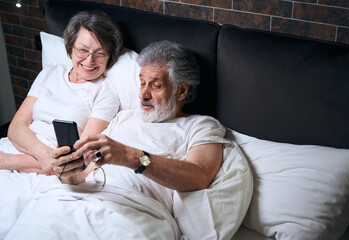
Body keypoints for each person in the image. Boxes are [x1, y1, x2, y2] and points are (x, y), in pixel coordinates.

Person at [51, 40, 227, 204]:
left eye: (155, 86)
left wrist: (131, 157)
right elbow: (84, 176)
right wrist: (67, 174)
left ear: (181, 91)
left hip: (135, 208)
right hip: (85, 198)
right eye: (142, 83)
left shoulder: (201, 126)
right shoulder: (124, 117)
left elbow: (199, 177)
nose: (143, 94)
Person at [0, 10, 123, 175]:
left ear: (110, 56)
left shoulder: (105, 93)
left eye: (100, 54)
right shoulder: (50, 73)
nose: (89, 60)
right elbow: (16, 127)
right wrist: (42, 153)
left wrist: (9, 161)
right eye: (83, 50)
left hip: (48, 166)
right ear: (71, 47)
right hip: (19, 149)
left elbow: (79, 157)